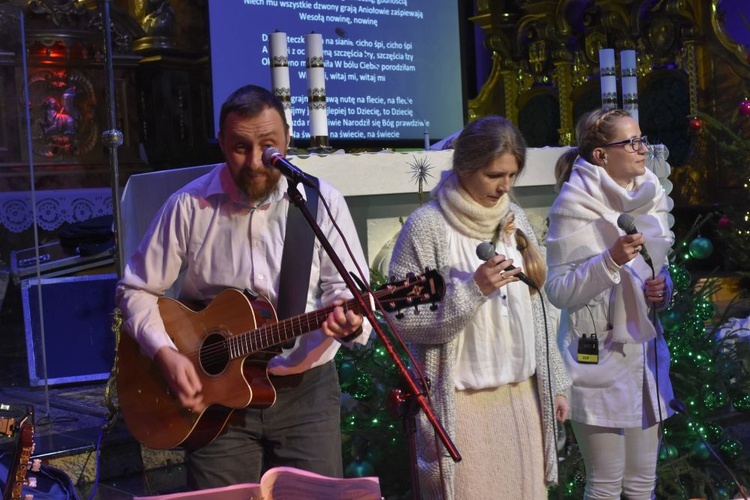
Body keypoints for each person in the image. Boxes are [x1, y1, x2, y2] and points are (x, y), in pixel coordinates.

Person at [116, 84, 369, 489]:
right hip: (216, 400)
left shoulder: (321, 203)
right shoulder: (190, 206)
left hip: (305, 391)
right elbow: (136, 290)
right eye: (240, 148)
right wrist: (164, 354)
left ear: (287, 139)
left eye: (268, 148)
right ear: (221, 143)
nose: (255, 162)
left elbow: (347, 290)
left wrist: (349, 320)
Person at [388, 116, 571, 499]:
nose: (505, 186)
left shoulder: (513, 218)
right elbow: (403, 320)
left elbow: (539, 309)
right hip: (463, 407)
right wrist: (473, 290)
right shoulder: (428, 227)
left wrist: (555, 384)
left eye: (512, 175)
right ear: (465, 167)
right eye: (494, 175)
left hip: (521, 397)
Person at [545, 108, 675, 499]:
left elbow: (658, 268)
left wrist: (663, 290)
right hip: (597, 358)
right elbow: (559, 291)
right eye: (631, 142)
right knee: (605, 484)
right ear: (601, 155)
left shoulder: (649, 193)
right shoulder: (575, 204)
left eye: (642, 139)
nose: (642, 148)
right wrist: (610, 260)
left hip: (645, 357)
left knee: (641, 484)